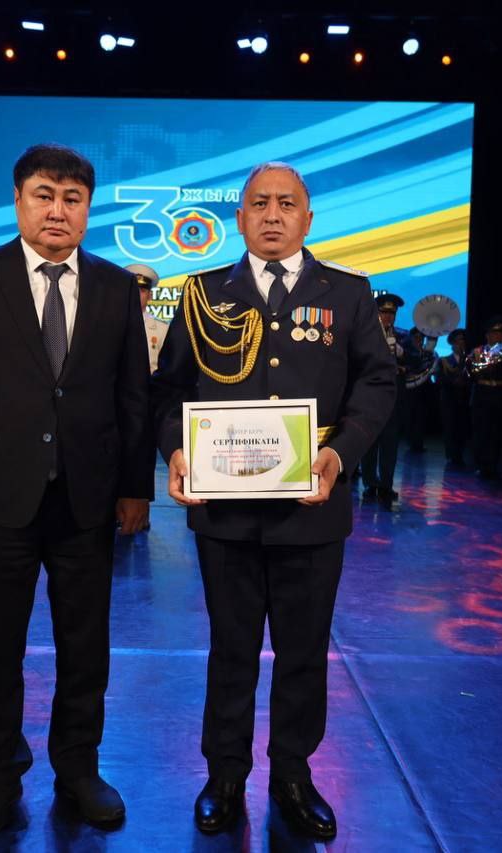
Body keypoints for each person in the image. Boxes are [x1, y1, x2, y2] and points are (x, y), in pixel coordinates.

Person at [152, 162, 394, 840]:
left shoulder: (347, 293)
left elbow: (377, 384)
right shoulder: (203, 293)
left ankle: (292, 773)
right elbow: (168, 390)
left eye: (287, 203)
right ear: (240, 217)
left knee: (303, 651)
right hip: (225, 511)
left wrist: (340, 454)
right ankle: (225, 774)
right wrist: (176, 449)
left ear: (308, 218)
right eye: (259, 203)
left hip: (312, 506)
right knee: (230, 649)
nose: (273, 214)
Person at [0, 143, 153, 839]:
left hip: (87, 501)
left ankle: (78, 768)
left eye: (72, 198)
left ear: (88, 209)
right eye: (44, 195)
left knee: (87, 648)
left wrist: (135, 489)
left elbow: (132, 397)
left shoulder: (115, 286)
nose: (58, 210)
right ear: (18, 200)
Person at [360, 292, 405, 509]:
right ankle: (370, 483)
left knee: (390, 443)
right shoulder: (366, 333)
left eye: (392, 313)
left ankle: (386, 484)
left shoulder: (402, 335)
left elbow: (415, 358)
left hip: (393, 397)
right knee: (369, 441)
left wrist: (401, 354)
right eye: (384, 312)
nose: (388, 316)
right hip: (370, 395)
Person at [469, 315, 502, 479]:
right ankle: (482, 465)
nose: (498, 335)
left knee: (497, 432)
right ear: (487, 335)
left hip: (501, 393)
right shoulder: (478, 351)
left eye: (501, 332)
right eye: (494, 332)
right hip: (482, 394)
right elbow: (471, 374)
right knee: (481, 431)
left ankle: (493, 465)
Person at [437, 328, 472, 468]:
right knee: (450, 427)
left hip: (464, 399)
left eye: (462, 340)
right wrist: (453, 382)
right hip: (449, 399)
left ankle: (460, 454)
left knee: (462, 428)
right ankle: (452, 455)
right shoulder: (444, 360)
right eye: (458, 341)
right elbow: (440, 379)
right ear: (452, 343)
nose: (460, 343)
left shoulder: (469, 359)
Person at [127, 263, 170, 373]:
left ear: (150, 296)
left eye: (142, 290)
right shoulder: (110, 325)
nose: (136, 294)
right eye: (133, 289)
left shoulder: (163, 330)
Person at [400, 325, 436, 452]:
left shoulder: (429, 353)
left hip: (424, 390)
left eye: (421, 337)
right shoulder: (405, 353)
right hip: (409, 390)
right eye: (416, 337)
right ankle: (411, 442)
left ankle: (418, 443)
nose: (419, 340)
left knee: (421, 417)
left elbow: (431, 367)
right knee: (409, 416)